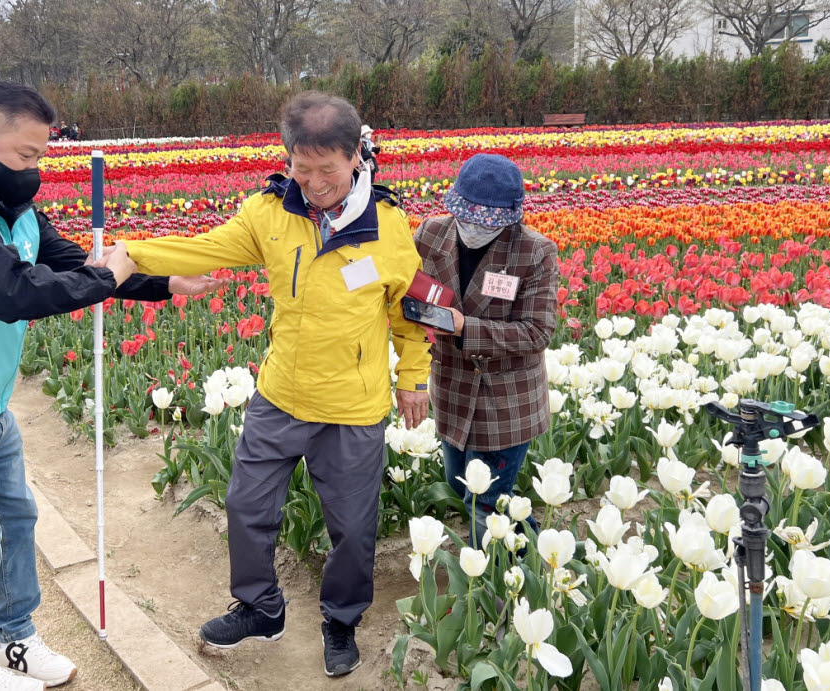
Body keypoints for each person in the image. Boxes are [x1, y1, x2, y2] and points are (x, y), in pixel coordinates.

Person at [0, 81, 224, 691]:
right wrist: (106, 279)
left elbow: (70, 263)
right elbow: (12, 293)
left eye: (41, 156)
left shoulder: (9, 202)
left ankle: (16, 638)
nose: (34, 170)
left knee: (17, 522)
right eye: (26, 155)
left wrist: (161, 283)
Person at [121, 91, 432, 678]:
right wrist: (129, 253)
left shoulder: (387, 226)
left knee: (352, 527)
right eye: (302, 167)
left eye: (328, 169)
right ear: (287, 158)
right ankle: (261, 606)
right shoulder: (268, 214)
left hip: (353, 405)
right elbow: (207, 247)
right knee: (245, 505)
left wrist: (412, 380)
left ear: (357, 157)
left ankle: (340, 621)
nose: (314, 182)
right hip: (281, 395)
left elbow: (407, 313)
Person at [413, 154, 558, 548]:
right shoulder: (431, 235)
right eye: (468, 216)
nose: (475, 228)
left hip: (505, 402)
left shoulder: (534, 252)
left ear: (509, 216)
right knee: (462, 489)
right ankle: (531, 553)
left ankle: (504, 584)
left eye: (487, 221)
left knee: (487, 505)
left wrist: (465, 327)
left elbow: (537, 332)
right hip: (452, 390)